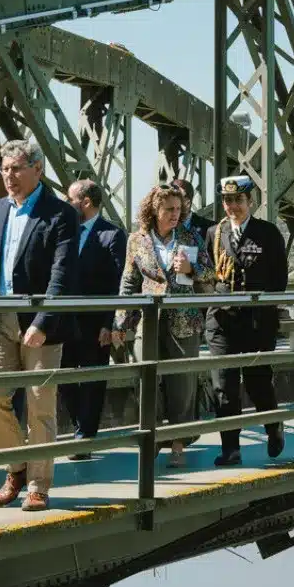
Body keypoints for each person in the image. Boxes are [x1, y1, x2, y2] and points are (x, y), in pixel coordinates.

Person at [0, 140, 78, 511]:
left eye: (16, 169)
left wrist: (43, 320)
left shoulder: (59, 214)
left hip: (39, 322)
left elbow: (63, 273)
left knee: (40, 404)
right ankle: (16, 468)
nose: (7, 176)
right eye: (4, 169)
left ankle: (38, 485)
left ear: (37, 170)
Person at [115, 183, 214, 469]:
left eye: (178, 209)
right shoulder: (137, 240)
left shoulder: (191, 236)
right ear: (153, 209)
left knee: (181, 386)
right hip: (149, 320)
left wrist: (191, 269)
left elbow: (210, 273)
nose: (175, 214)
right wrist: (120, 321)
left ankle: (179, 444)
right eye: (169, 209)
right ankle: (154, 437)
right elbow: (129, 281)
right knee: (145, 381)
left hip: (184, 320)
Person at [205, 175, 289, 465]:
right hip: (222, 321)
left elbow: (280, 278)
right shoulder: (214, 232)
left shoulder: (268, 233)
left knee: (258, 382)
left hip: (257, 321)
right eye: (227, 201)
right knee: (223, 385)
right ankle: (231, 447)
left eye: (238, 200)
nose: (232, 206)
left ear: (250, 201)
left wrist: (268, 308)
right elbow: (209, 274)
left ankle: (273, 427)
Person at [61, 178, 125, 459]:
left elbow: (117, 283)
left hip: (94, 322)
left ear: (85, 202)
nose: (65, 203)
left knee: (92, 379)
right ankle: (79, 427)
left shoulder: (112, 235)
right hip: (65, 320)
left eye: (69, 198)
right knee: (63, 376)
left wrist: (108, 323)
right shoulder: (64, 231)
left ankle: (85, 436)